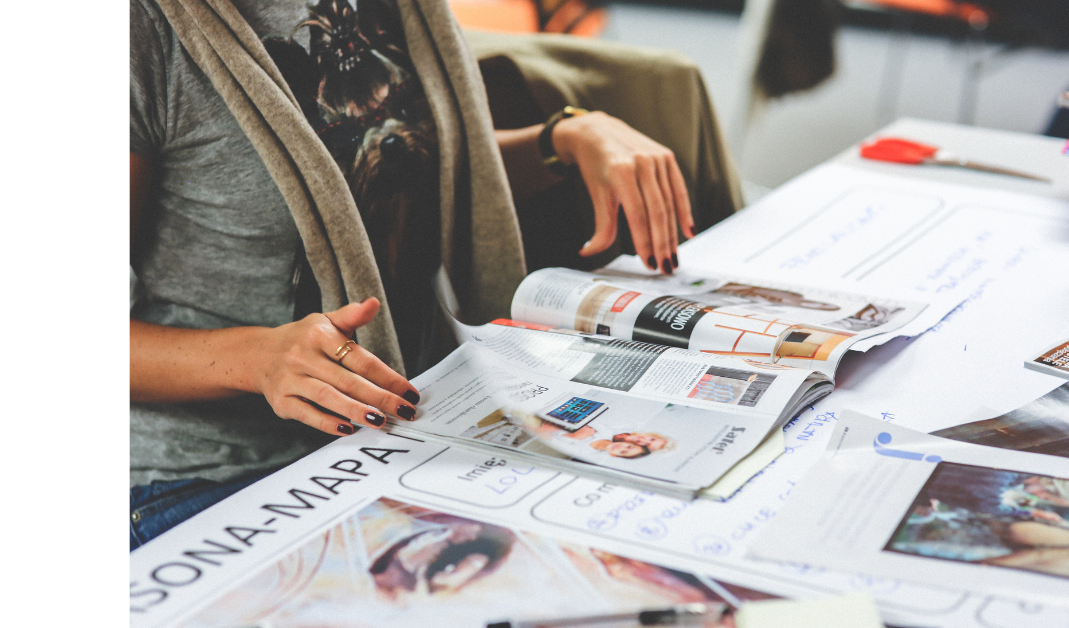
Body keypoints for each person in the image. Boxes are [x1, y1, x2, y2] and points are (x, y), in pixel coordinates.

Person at [129, 0, 712, 548]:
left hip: (413, 420)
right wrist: (259, 358)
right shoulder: (139, 29)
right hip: (215, 476)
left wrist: (562, 141)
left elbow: (402, 168)